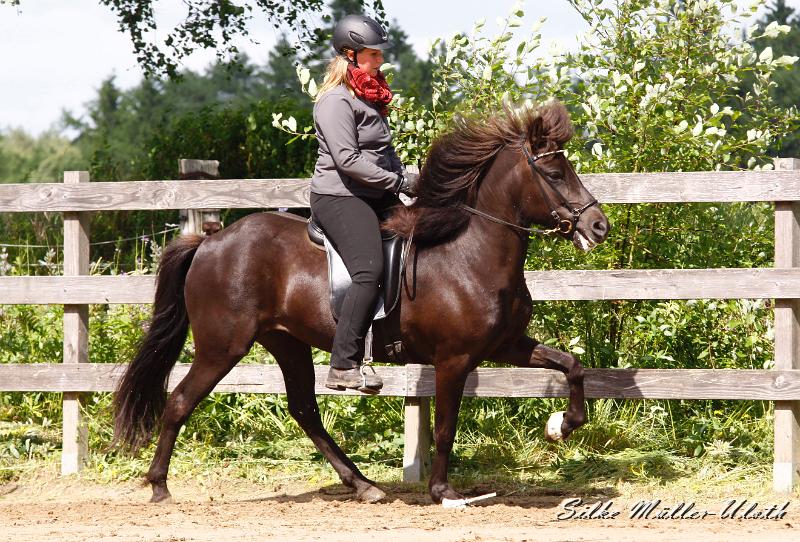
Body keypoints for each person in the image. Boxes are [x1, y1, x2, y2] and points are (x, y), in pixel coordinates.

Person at [310, 14, 417, 393]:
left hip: (376, 192)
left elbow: (381, 152)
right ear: (350, 55)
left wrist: (407, 181)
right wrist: (400, 182)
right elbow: (348, 161)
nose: (380, 61)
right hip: (341, 195)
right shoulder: (335, 102)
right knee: (368, 270)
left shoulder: (368, 97)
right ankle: (343, 363)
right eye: (373, 55)